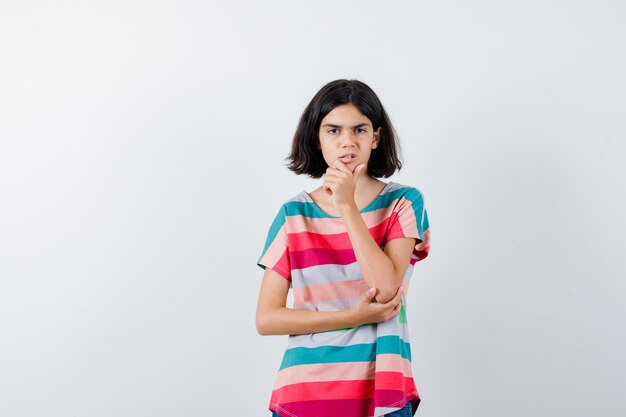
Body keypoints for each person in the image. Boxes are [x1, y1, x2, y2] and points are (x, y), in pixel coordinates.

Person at [255, 79, 431, 417]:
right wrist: (352, 317)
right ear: (316, 139)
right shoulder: (295, 214)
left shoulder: (403, 202)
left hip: (381, 391)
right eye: (333, 130)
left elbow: (385, 290)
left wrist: (348, 207)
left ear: (376, 137)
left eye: (360, 130)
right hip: (304, 391)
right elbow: (266, 319)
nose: (347, 141)